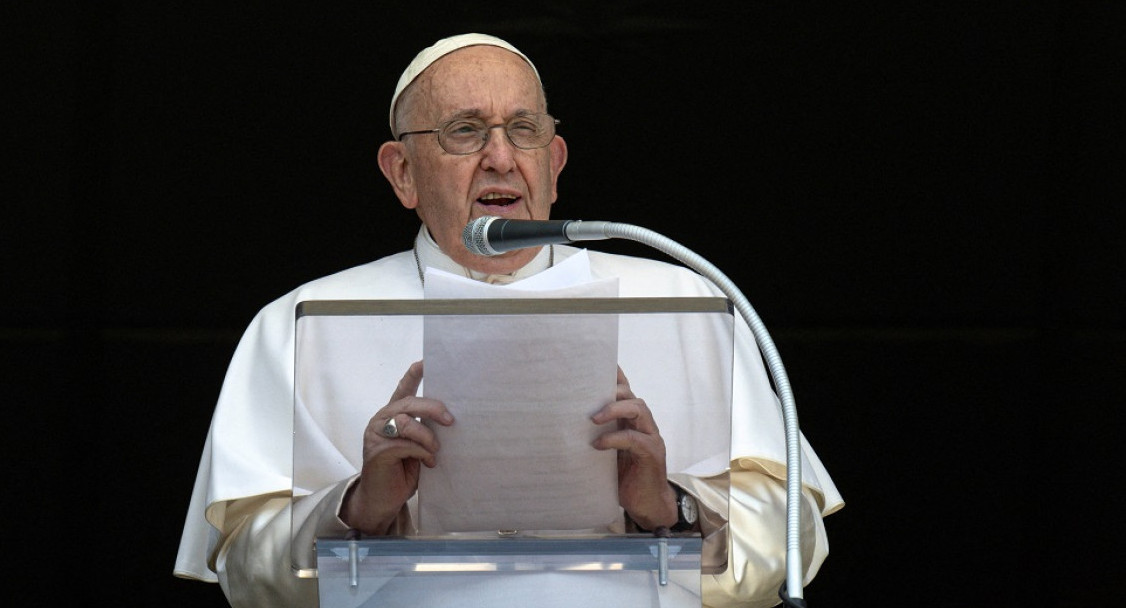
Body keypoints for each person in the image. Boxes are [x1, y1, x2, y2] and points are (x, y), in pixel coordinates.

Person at [174, 33, 844, 608]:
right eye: (465, 131)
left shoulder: (685, 299)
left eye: (523, 131)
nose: (500, 156)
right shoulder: (302, 323)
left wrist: (669, 506)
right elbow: (244, 572)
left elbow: (794, 539)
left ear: (553, 163)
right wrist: (358, 509)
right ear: (402, 172)